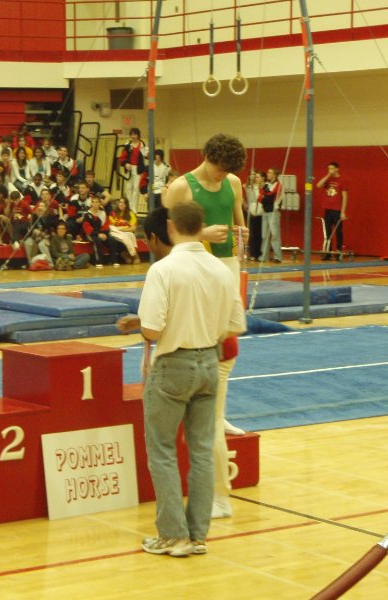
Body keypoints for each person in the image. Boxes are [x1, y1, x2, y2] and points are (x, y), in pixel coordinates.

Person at [137, 201, 246, 557]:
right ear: (200, 227)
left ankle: (173, 535)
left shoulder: (163, 270)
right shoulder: (221, 270)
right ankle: (197, 535)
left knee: (163, 450)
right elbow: (236, 325)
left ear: (170, 228)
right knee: (201, 452)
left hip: (174, 364)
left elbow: (152, 329)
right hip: (209, 363)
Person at [163, 132, 249, 519]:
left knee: (228, 342)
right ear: (205, 158)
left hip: (226, 266)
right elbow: (169, 238)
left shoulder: (232, 182)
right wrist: (204, 235)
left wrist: (239, 243)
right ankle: (211, 408)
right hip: (196, 265)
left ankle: (220, 408)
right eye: (217, 169)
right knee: (206, 343)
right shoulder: (182, 187)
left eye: (227, 172)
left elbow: (239, 224)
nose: (220, 178)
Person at [316, 161, 348, 260]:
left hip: (337, 210)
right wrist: (327, 175)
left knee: (338, 232)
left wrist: (343, 211)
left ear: (337, 169)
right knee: (327, 232)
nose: (330, 170)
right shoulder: (328, 179)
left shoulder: (342, 180)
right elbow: (318, 185)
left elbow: (344, 196)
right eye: (329, 168)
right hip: (328, 209)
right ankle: (328, 253)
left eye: (332, 168)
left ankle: (338, 252)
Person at [119, 127, 148, 212]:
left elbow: (147, 156)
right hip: (129, 169)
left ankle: (134, 208)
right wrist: (125, 164)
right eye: (131, 134)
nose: (133, 136)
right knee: (128, 188)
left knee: (136, 188)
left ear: (138, 135)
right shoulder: (127, 145)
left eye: (135, 134)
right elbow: (122, 158)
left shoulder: (143, 145)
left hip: (138, 169)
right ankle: (128, 207)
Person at [260, 167, 283, 263]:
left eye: (270, 172)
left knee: (275, 235)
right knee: (264, 235)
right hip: (265, 211)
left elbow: (270, 197)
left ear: (275, 174)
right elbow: (260, 197)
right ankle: (264, 256)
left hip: (273, 212)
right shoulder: (266, 184)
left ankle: (278, 256)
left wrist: (265, 196)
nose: (268, 174)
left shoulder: (278, 185)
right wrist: (264, 196)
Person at [245, 170, 264, 261]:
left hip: (261, 212)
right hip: (251, 212)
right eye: (252, 175)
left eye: (256, 176)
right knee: (252, 234)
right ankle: (252, 253)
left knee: (260, 234)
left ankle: (259, 253)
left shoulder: (263, 187)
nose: (254, 178)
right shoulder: (247, 187)